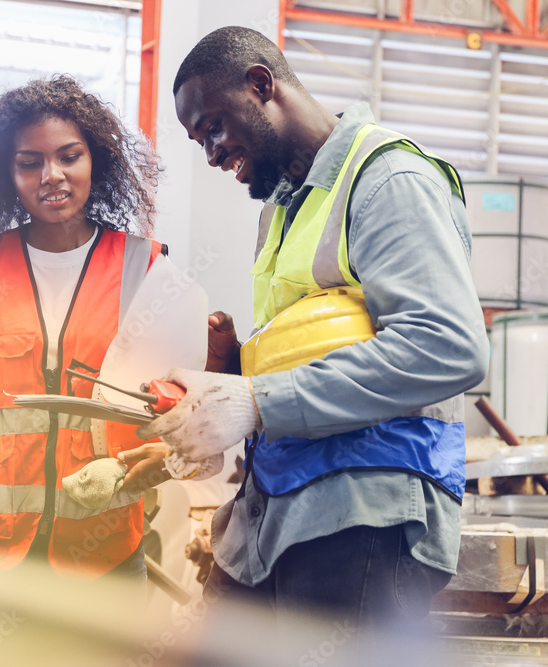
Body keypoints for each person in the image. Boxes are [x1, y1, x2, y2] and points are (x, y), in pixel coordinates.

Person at [128, 26, 488, 626]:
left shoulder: (389, 181)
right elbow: (312, 347)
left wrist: (257, 399)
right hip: (270, 517)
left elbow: (446, 345)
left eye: (213, 126)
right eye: (199, 142)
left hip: (362, 518)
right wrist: (229, 375)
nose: (212, 154)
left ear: (262, 85)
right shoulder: (282, 208)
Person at [0, 75, 172, 579]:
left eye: (69, 156)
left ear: (96, 160)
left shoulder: (144, 269)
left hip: (101, 555)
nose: (51, 174)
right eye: (30, 163)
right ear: (5, 174)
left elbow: (174, 406)